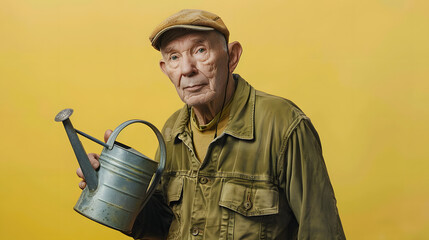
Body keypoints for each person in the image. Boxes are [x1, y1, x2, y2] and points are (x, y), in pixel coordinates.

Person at [77, 9, 346, 240]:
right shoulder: (172, 131)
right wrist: (118, 185)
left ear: (232, 57)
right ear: (165, 69)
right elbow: (165, 227)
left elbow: (321, 230)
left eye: (200, 50)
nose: (187, 69)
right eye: (174, 57)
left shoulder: (284, 125)